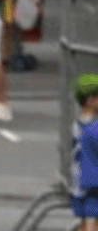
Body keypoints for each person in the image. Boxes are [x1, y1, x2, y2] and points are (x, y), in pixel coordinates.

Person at [72, 74, 98, 231]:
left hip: (79, 178)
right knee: (92, 221)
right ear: (90, 100)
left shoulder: (77, 124)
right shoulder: (93, 128)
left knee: (86, 220)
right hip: (93, 180)